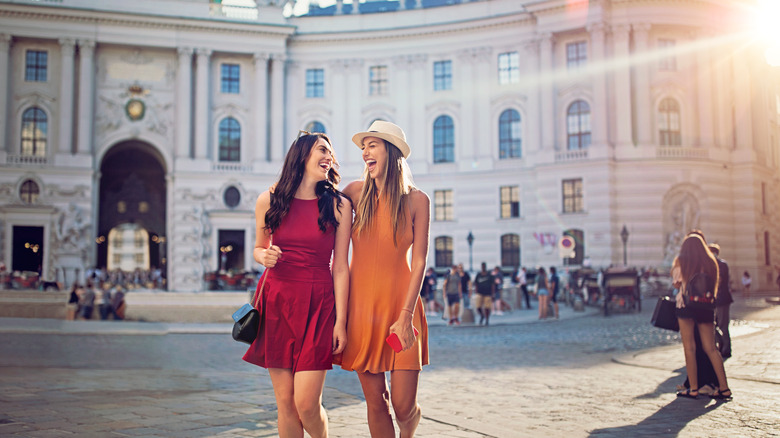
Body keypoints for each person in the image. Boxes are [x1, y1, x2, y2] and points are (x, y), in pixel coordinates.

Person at [242, 131, 351, 438]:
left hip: (319, 303)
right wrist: (265, 257)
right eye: (322, 150)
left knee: (306, 403)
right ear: (302, 156)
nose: (329, 157)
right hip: (276, 302)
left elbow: (341, 267)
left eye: (330, 152)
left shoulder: (339, 205)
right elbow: (258, 247)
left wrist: (340, 322)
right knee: (285, 404)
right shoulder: (269, 200)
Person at [335, 120, 430, 438]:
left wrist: (405, 316)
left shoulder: (418, 201)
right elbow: (316, 212)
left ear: (390, 151)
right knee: (376, 402)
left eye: (371, 145)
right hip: (362, 311)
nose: (364, 152)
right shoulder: (353, 193)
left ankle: (409, 427)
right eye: (363, 147)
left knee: (403, 405)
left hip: (402, 310)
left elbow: (419, 263)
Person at [673, 234, 732, 400]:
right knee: (711, 348)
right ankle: (724, 388)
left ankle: (693, 389)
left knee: (689, 348)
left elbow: (676, 281)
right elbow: (715, 285)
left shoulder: (681, 260)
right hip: (706, 306)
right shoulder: (710, 262)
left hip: (686, 306)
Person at [709, 244, 733, 359]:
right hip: (714, 300)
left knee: (723, 326)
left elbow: (720, 280)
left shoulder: (721, 264)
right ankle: (722, 343)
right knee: (712, 325)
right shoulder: (712, 264)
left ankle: (726, 349)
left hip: (722, 299)